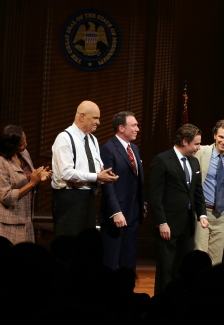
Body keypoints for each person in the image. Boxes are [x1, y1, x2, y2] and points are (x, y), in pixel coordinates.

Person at [148, 124, 209, 294]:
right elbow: (155, 196)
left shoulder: (194, 162)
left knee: (183, 267)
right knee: (166, 268)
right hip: (168, 225)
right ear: (184, 141)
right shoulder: (162, 160)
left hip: (187, 225)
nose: (199, 147)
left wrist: (202, 214)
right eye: (196, 144)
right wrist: (162, 222)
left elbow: (198, 192)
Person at [51, 101, 118, 237]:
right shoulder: (64, 138)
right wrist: (97, 177)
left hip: (89, 198)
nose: (98, 122)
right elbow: (66, 173)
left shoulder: (93, 139)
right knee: (68, 246)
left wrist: (104, 176)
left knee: (85, 246)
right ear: (82, 116)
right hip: (70, 200)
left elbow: (96, 169)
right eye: (95, 118)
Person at [0, 125, 52, 244]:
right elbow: (5, 197)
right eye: (21, 144)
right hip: (4, 222)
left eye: (25, 141)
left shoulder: (23, 154)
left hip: (24, 217)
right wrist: (32, 183)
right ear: (10, 146)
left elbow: (27, 176)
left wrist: (39, 176)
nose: (25, 145)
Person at [99, 111, 145, 271]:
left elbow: (136, 181)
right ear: (121, 128)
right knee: (111, 261)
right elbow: (107, 183)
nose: (137, 129)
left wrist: (142, 203)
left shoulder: (134, 148)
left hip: (133, 213)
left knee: (129, 260)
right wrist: (115, 212)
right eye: (134, 125)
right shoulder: (108, 149)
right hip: (116, 214)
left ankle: (127, 293)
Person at [193, 120, 224, 265]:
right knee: (200, 254)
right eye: (221, 137)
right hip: (202, 211)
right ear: (214, 136)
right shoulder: (201, 152)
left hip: (221, 214)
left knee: (216, 259)